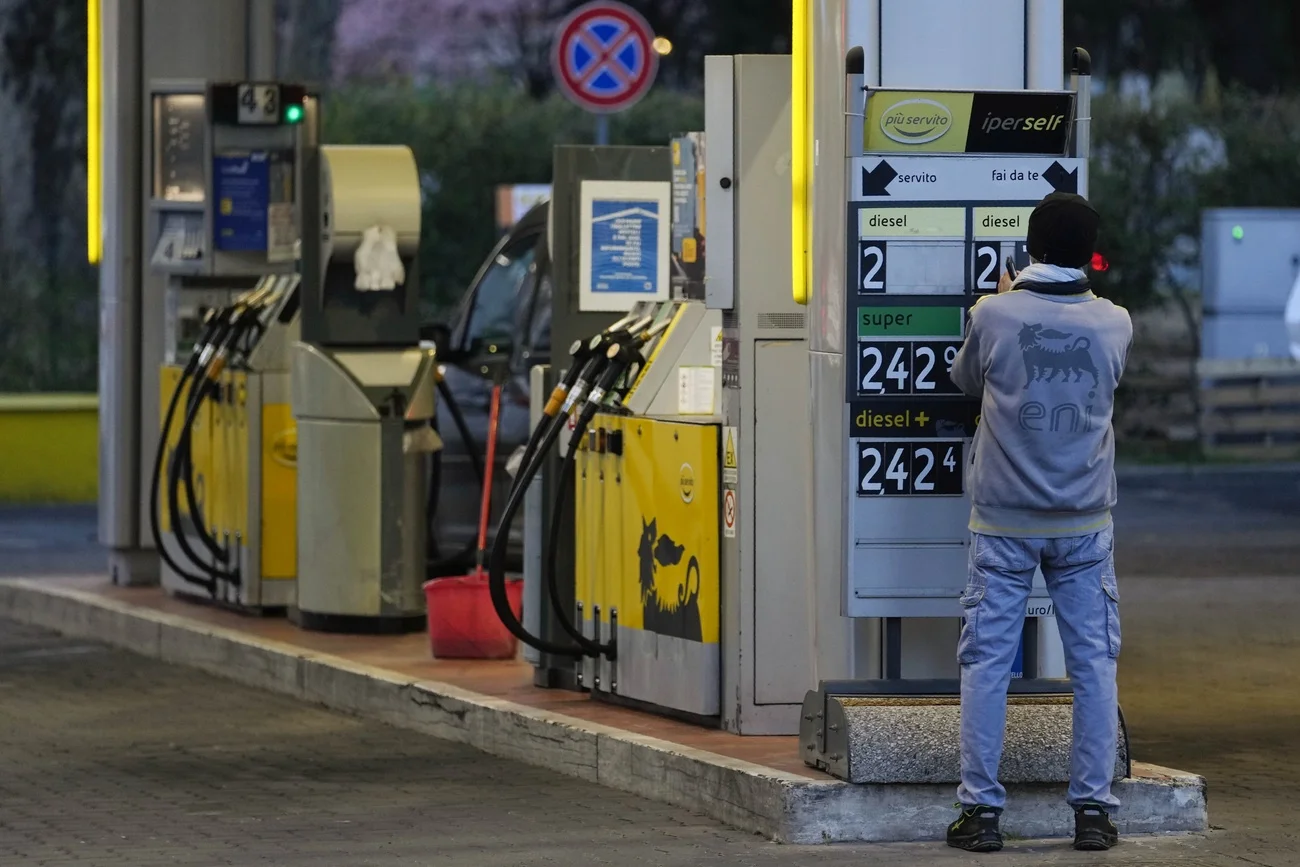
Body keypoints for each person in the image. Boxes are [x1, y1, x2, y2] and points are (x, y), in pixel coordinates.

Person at [945, 192, 1133, 853]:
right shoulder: (1116, 323)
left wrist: (996, 297)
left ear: (1031, 247)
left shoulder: (993, 314)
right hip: (1086, 521)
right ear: (1091, 252)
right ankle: (1093, 811)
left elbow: (964, 377)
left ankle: (982, 815)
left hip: (1001, 524)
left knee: (988, 662)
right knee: (1094, 662)